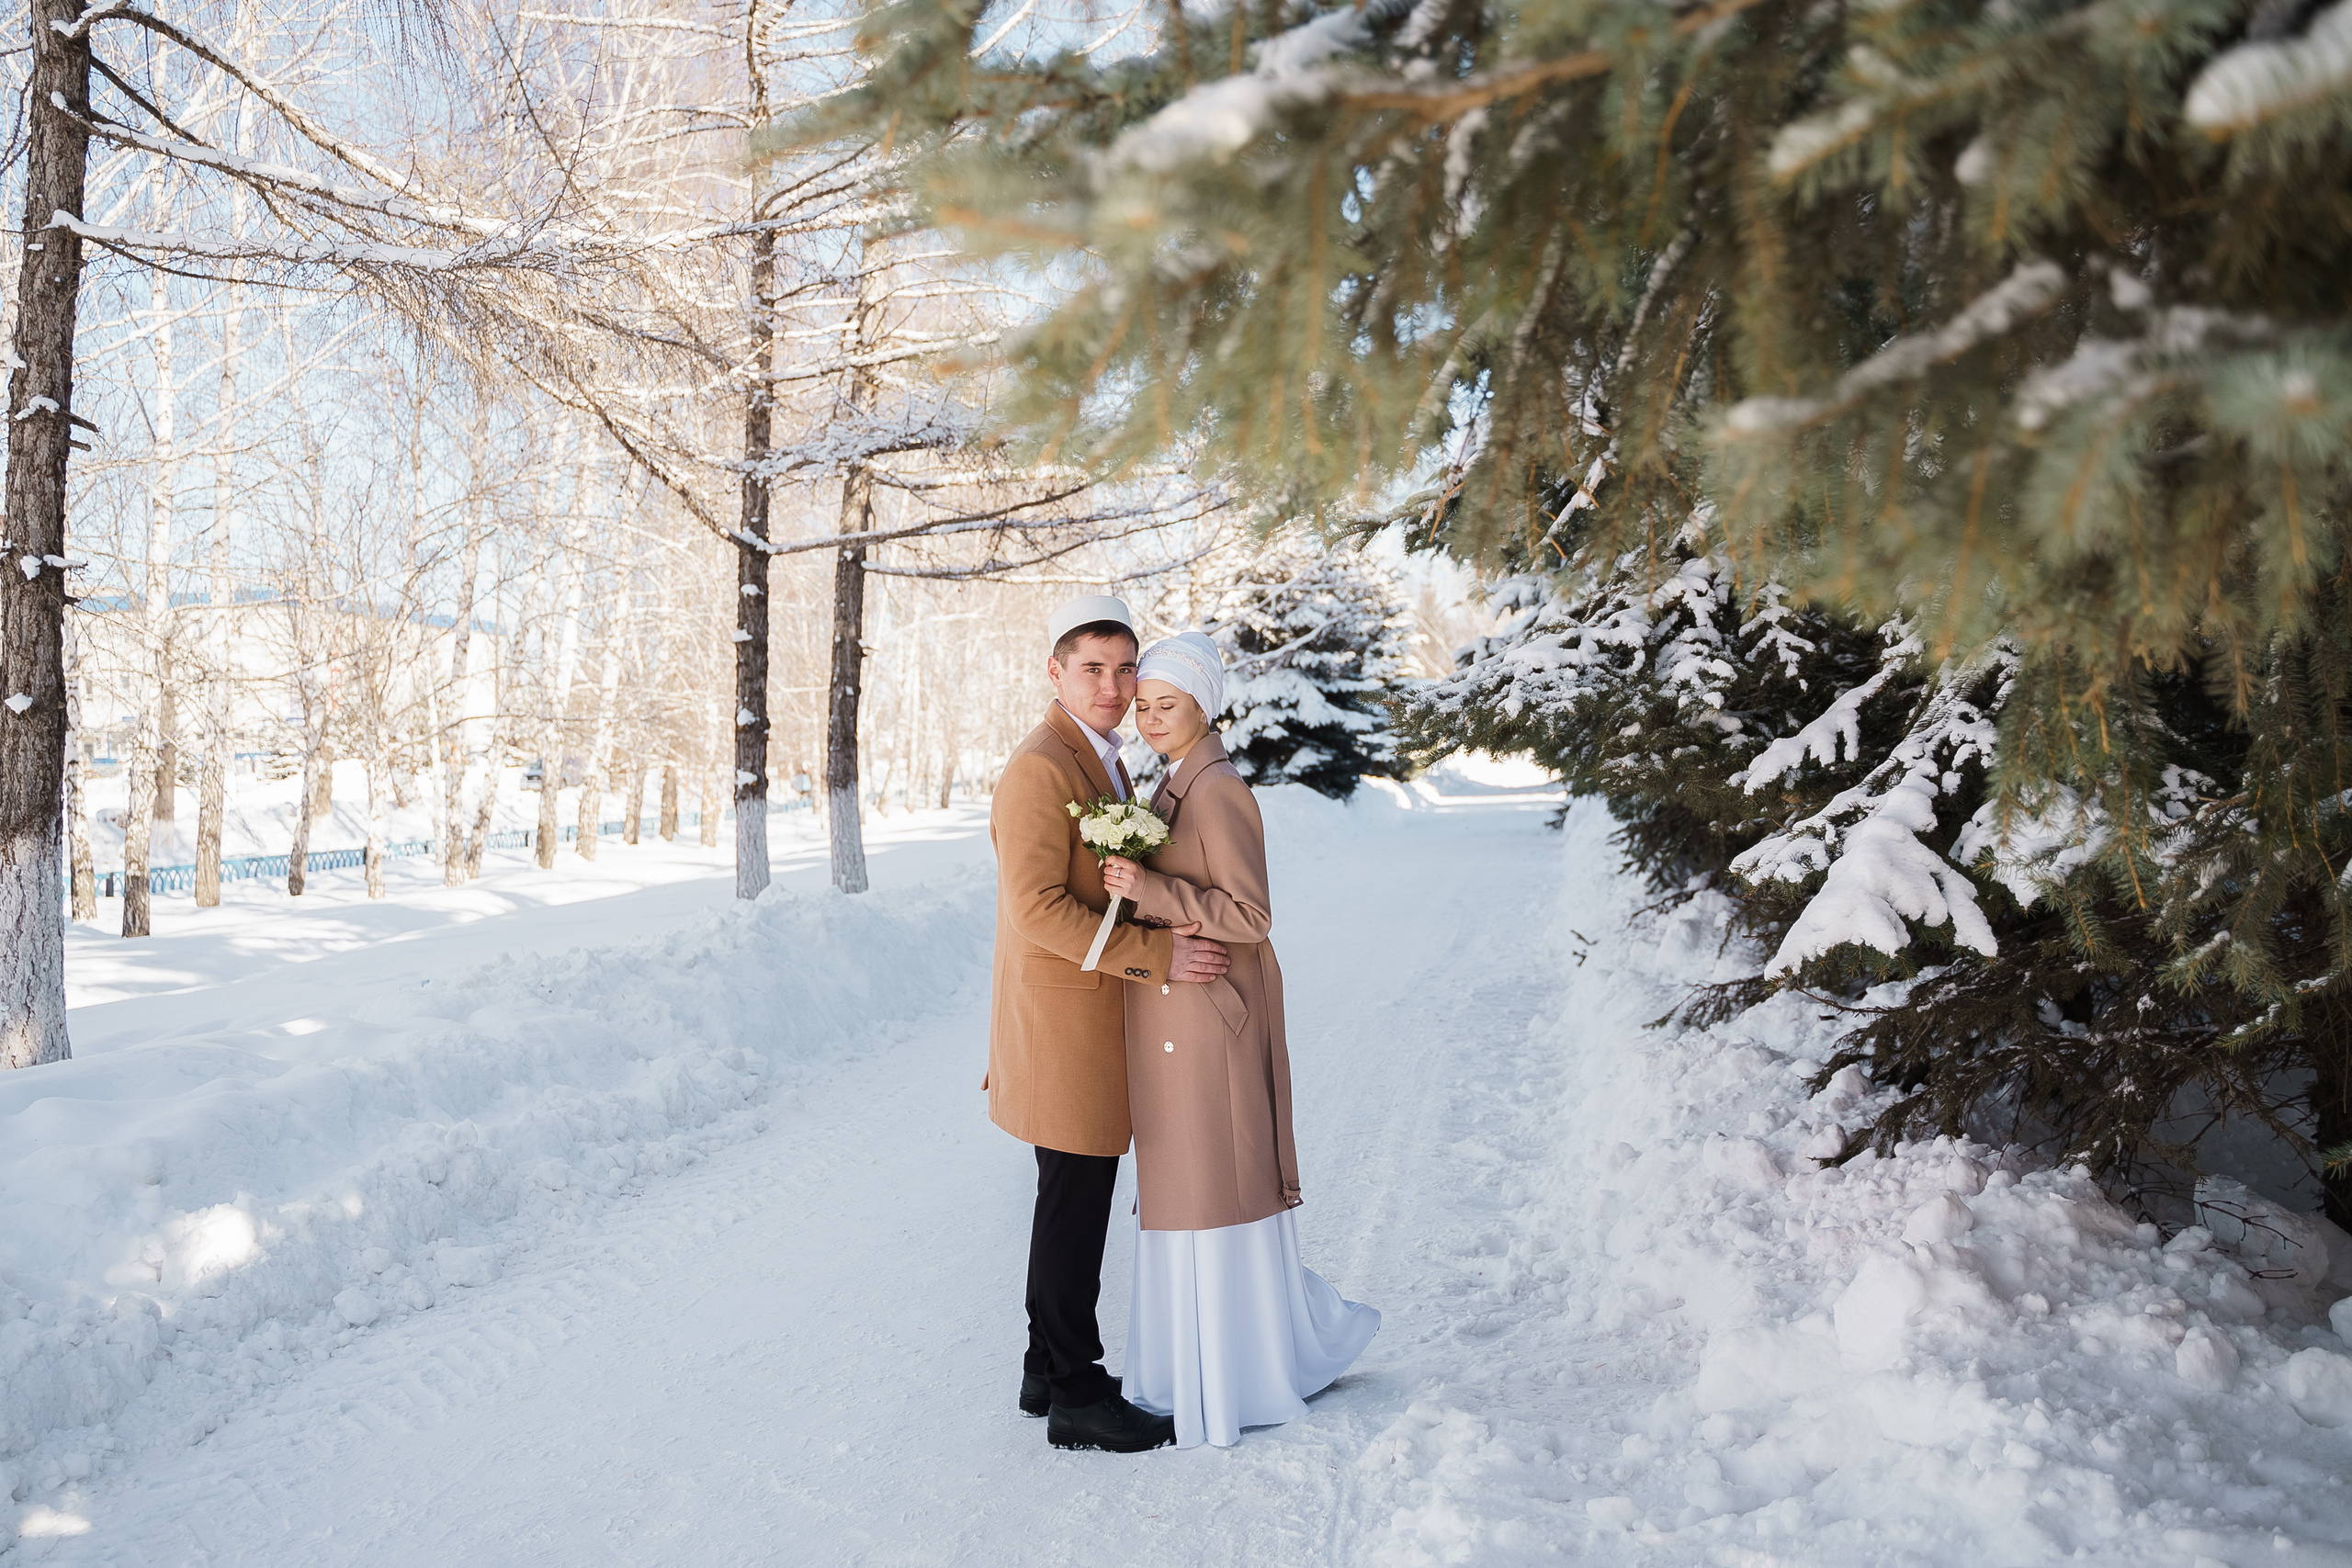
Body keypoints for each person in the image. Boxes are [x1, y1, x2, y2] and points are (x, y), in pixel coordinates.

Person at [1101, 631, 1380, 1450]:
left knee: (1213, 1189)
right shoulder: (1172, 784)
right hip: (1174, 1016)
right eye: (1144, 704)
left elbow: (1252, 916)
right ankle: (1196, 1365)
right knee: (1187, 1191)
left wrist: (1152, 888)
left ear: (1203, 706)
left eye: (1168, 704)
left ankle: (1237, 1370)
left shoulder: (1218, 790)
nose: (1151, 717)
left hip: (1212, 1021)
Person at [985, 595, 1232, 1453]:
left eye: (1126, 669)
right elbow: (1036, 909)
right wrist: (1155, 957)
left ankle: (1041, 1364)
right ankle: (1078, 1396)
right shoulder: (1041, 768)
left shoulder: (1104, 758)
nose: (1114, 685)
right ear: (1055, 671)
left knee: (1069, 1195)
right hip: (1064, 1023)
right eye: (1093, 668)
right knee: (1075, 1204)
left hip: (1090, 1016)